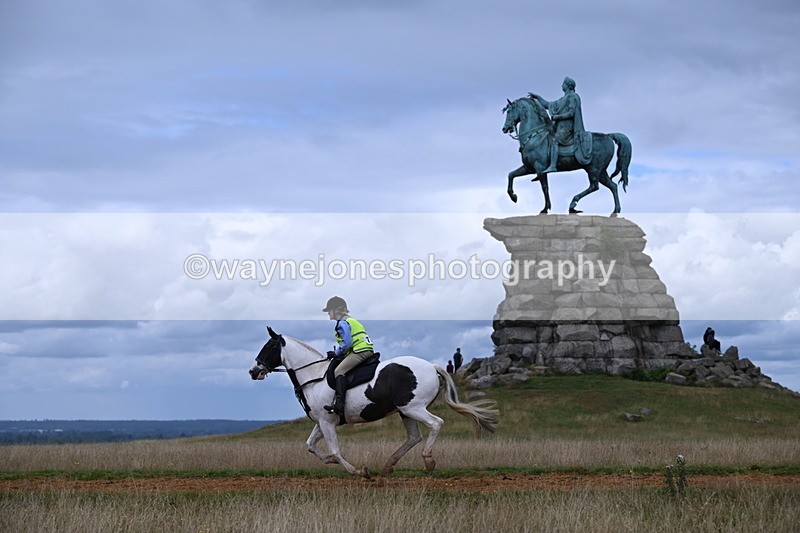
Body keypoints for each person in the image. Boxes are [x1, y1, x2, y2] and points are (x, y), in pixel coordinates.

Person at [322, 296, 375, 416]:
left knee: (339, 371)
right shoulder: (352, 320)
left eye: (329, 310)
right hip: (365, 349)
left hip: (359, 351)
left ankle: (339, 405)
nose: (328, 313)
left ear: (336, 310)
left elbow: (347, 343)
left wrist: (336, 353)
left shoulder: (342, 323)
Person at [528, 76, 592, 173]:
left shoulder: (573, 97)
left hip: (568, 128)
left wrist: (557, 117)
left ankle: (553, 165)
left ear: (568, 85)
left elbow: (571, 113)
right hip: (559, 127)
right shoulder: (563, 99)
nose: (562, 85)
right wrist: (538, 98)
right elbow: (548, 105)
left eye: (563, 84)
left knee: (554, 140)